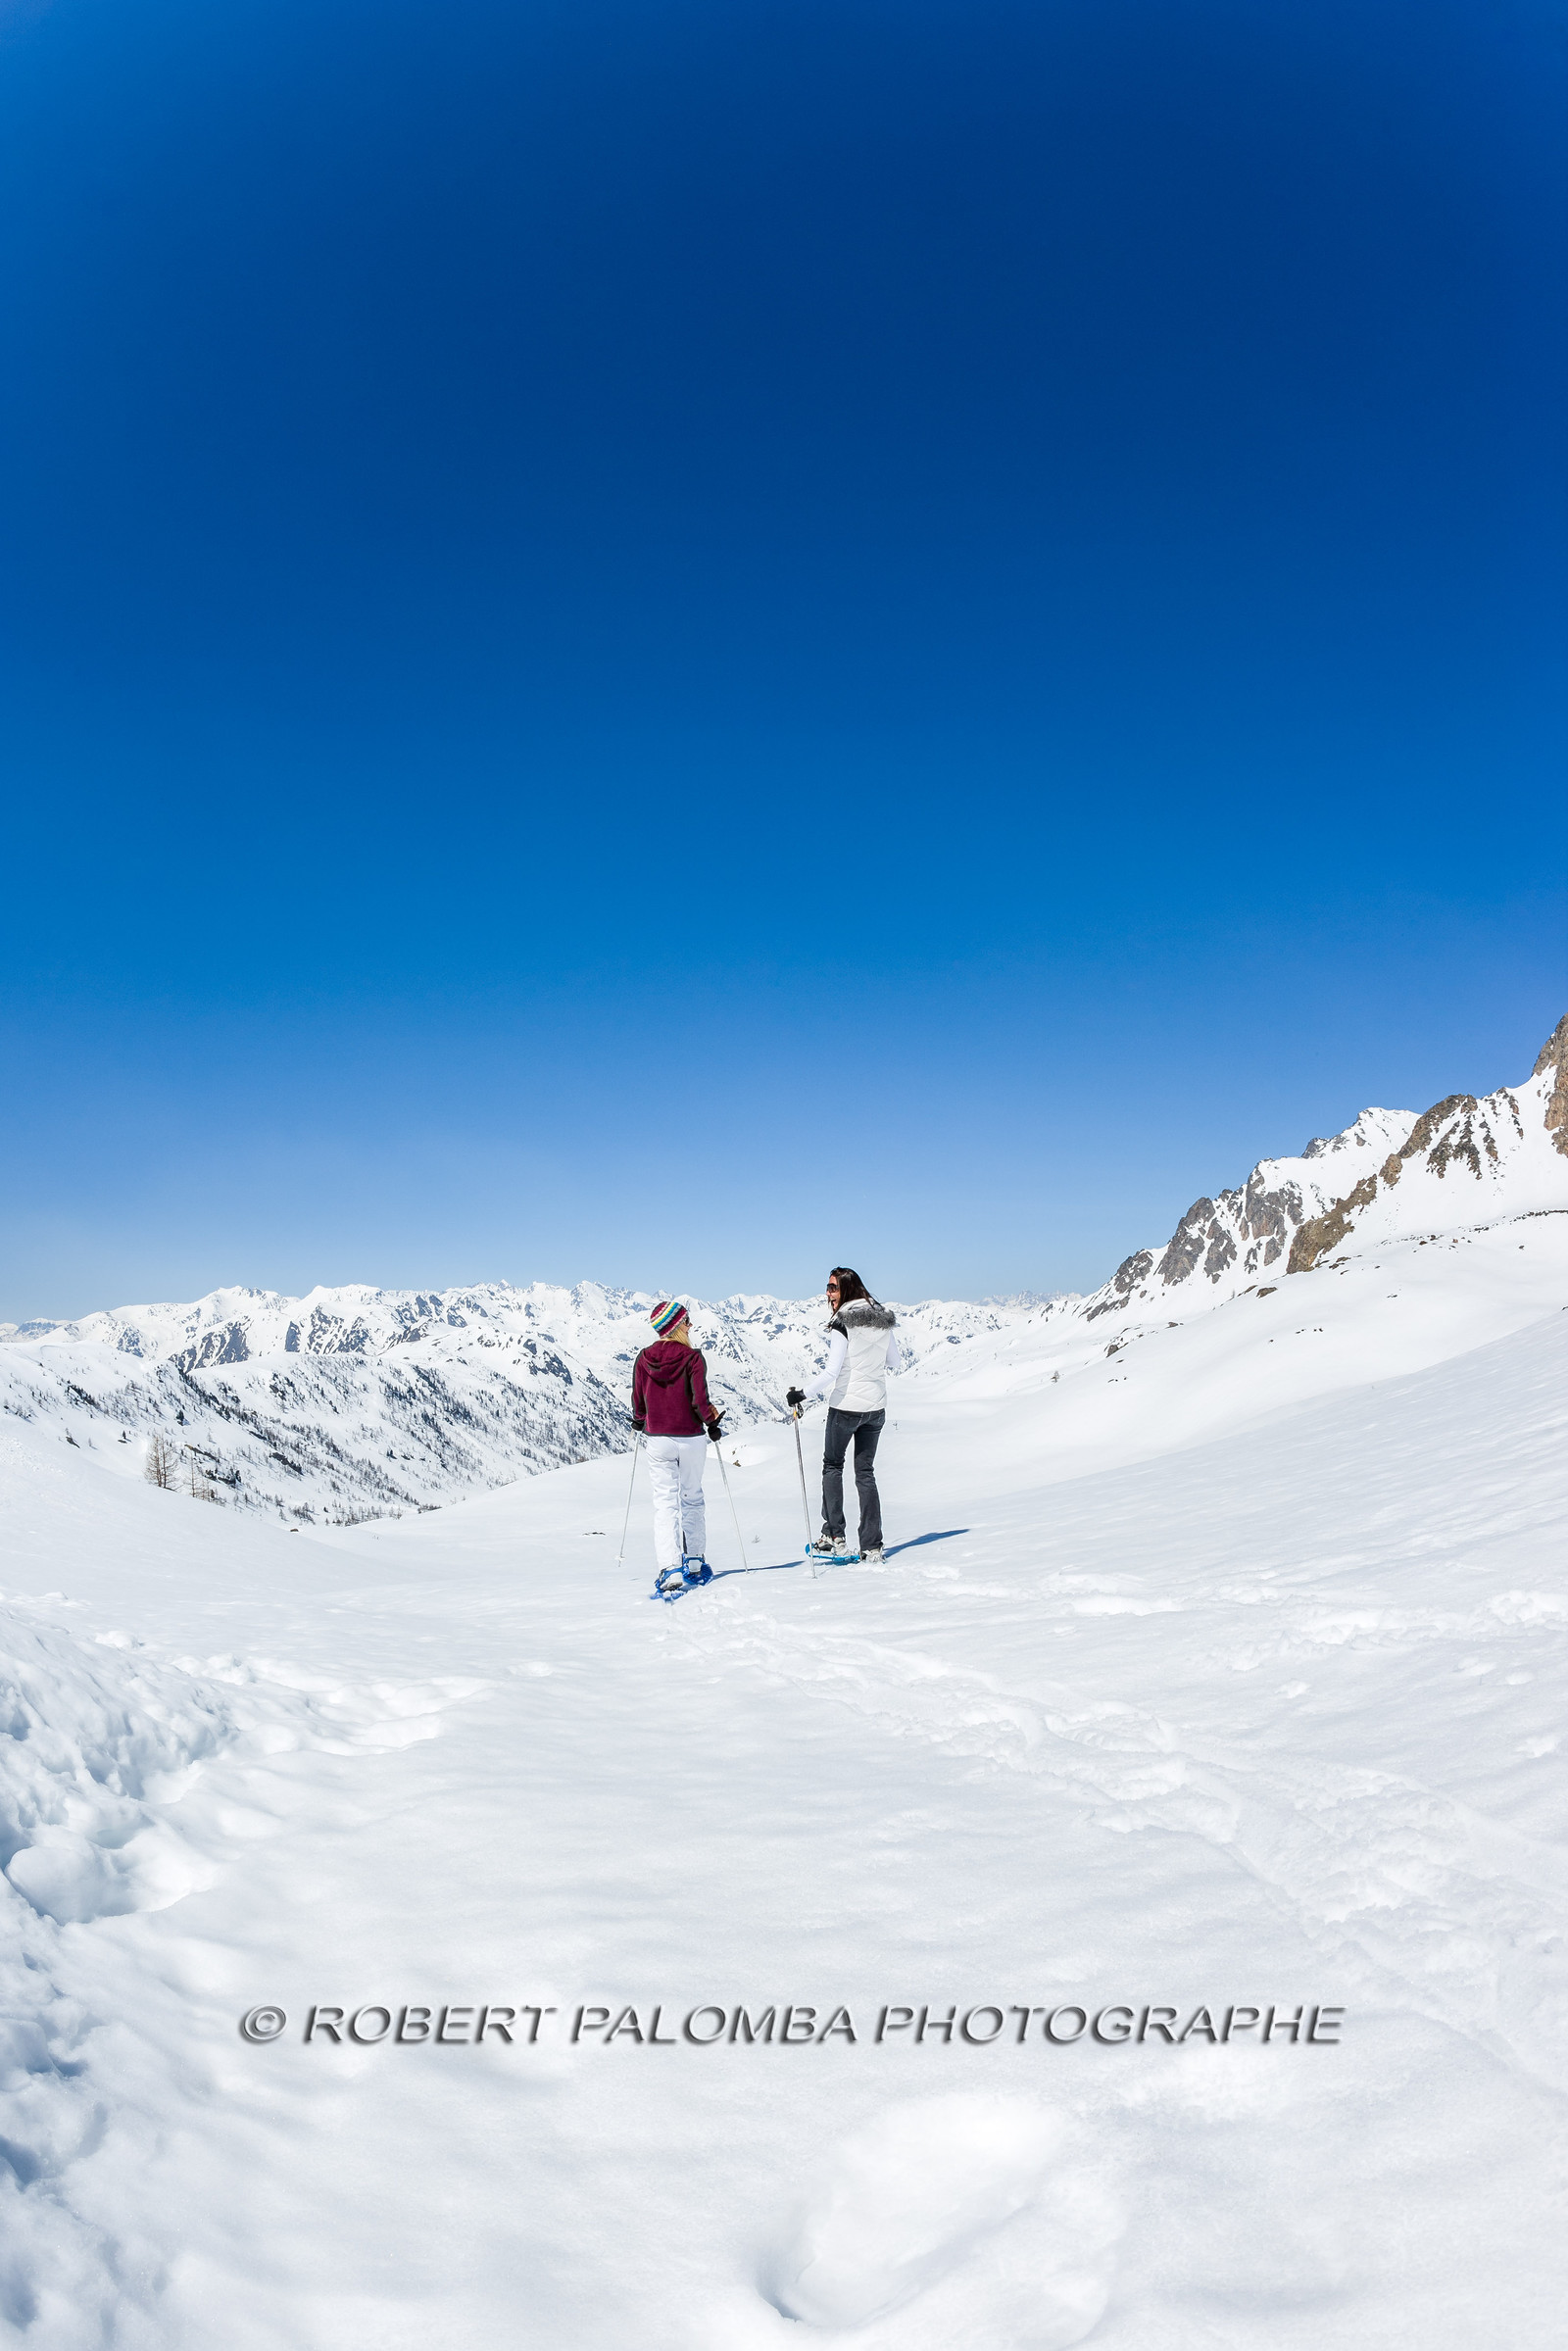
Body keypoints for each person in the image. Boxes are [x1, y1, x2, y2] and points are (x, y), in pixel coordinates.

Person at [785, 1267, 901, 1567]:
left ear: (847, 1289)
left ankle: (833, 1537)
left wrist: (802, 1394)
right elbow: (894, 1361)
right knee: (865, 1473)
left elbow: (831, 1372)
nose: (828, 1293)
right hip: (876, 1408)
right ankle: (872, 1547)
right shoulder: (883, 1320)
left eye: (833, 1288)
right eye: (827, 1287)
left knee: (832, 1466)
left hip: (846, 1406)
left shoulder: (843, 1323)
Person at [632, 1299, 725, 1592]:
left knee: (664, 1504)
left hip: (658, 1439)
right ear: (676, 1326)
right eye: (687, 1321)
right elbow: (699, 1400)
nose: (691, 1326)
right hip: (691, 1438)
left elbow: (638, 1401)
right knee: (692, 1498)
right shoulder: (693, 1358)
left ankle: (670, 1568)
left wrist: (639, 1420)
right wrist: (712, 1421)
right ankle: (695, 1561)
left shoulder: (643, 1358)